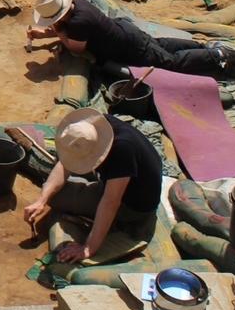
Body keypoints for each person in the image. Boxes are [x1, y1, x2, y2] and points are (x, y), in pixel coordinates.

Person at [22, 107, 162, 263]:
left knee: (58, 197)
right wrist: (41, 200)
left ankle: (112, 223)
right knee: (50, 191)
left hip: (132, 207)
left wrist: (88, 248)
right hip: (118, 183)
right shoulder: (98, 127)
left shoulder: (122, 150)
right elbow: (65, 165)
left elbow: (111, 202)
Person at [27, 0, 235, 78]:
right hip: (127, 31)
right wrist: (44, 33)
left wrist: (56, 31)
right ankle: (204, 47)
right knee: (160, 43)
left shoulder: (77, 23)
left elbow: (75, 48)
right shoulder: (79, 4)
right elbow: (71, 31)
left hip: (126, 46)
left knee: (167, 61)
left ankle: (218, 55)